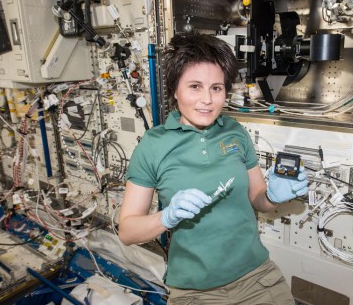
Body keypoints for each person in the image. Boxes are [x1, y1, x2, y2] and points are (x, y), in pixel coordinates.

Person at [119, 33, 309, 305]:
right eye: (195, 86)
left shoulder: (235, 132)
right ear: (175, 89)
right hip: (195, 291)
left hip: (257, 278)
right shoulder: (153, 145)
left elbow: (258, 199)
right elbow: (127, 231)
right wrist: (167, 217)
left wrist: (273, 197)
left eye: (217, 88)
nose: (207, 99)